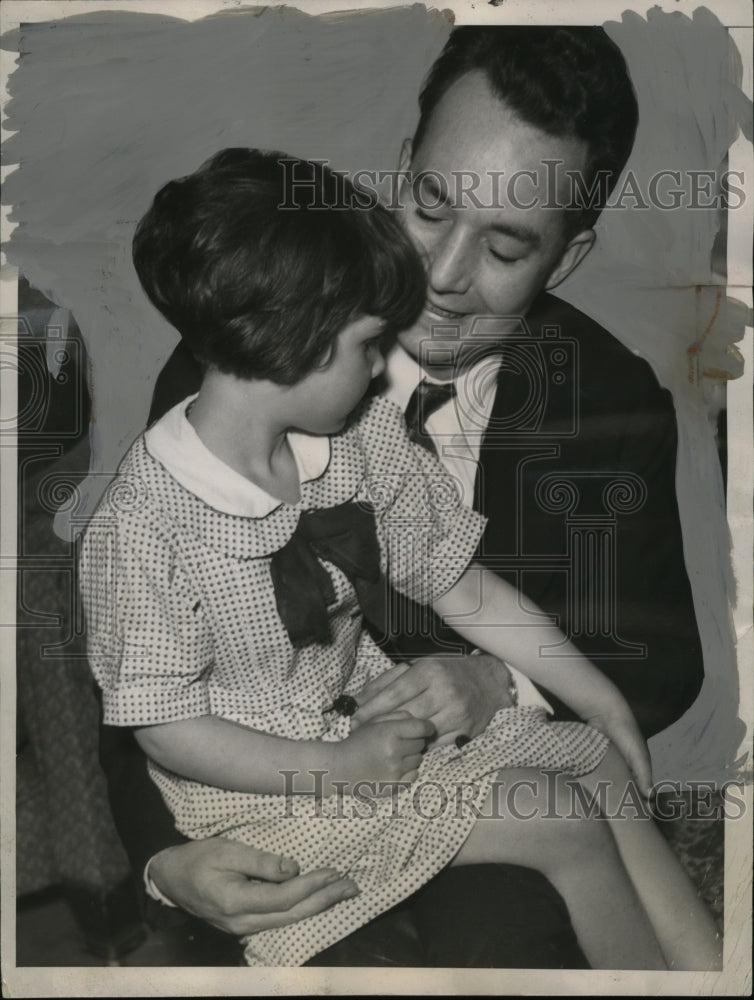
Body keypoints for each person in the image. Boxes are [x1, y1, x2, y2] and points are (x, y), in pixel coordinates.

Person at [97, 27, 705, 966]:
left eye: (505, 246)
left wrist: (499, 679)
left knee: (528, 892)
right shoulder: (243, 355)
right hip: (283, 787)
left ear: (567, 258)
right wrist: (164, 866)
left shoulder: (610, 397)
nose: (443, 277)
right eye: (429, 206)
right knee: (534, 854)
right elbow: (144, 677)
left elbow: (651, 654)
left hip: (455, 770)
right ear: (399, 170)